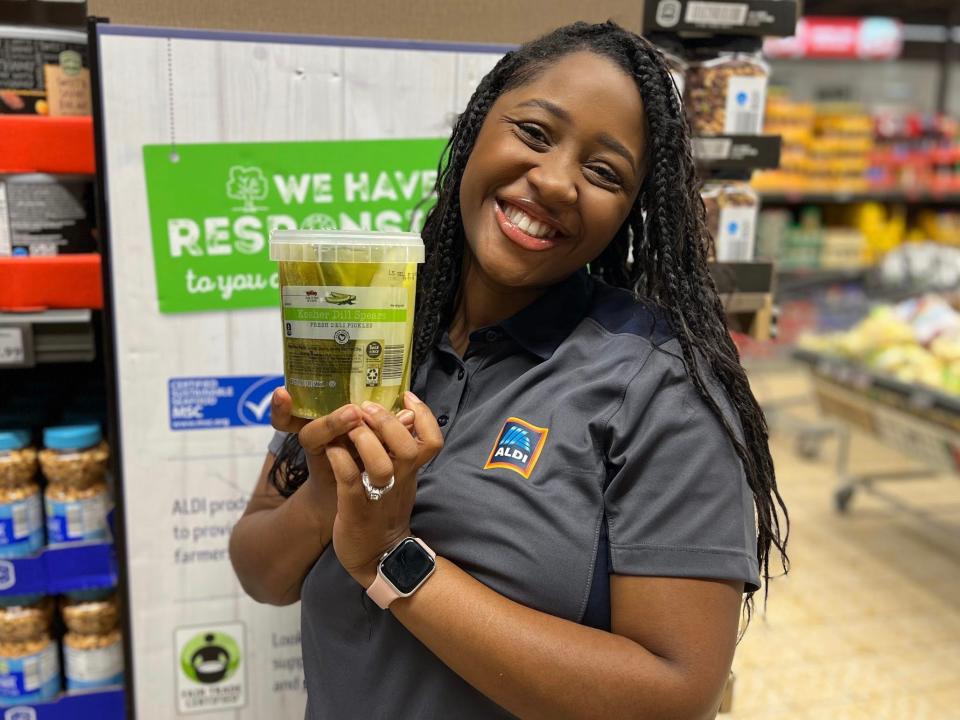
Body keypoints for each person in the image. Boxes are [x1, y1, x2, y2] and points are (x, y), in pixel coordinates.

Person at [229, 20, 788, 720]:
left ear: (629, 213)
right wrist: (325, 494)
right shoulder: (378, 327)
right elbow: (262, 573)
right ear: (476, 128)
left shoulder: (663, 388)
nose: (554, 181)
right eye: (533, 132)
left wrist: (391, 557)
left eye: (603, 171)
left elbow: (675, 695)